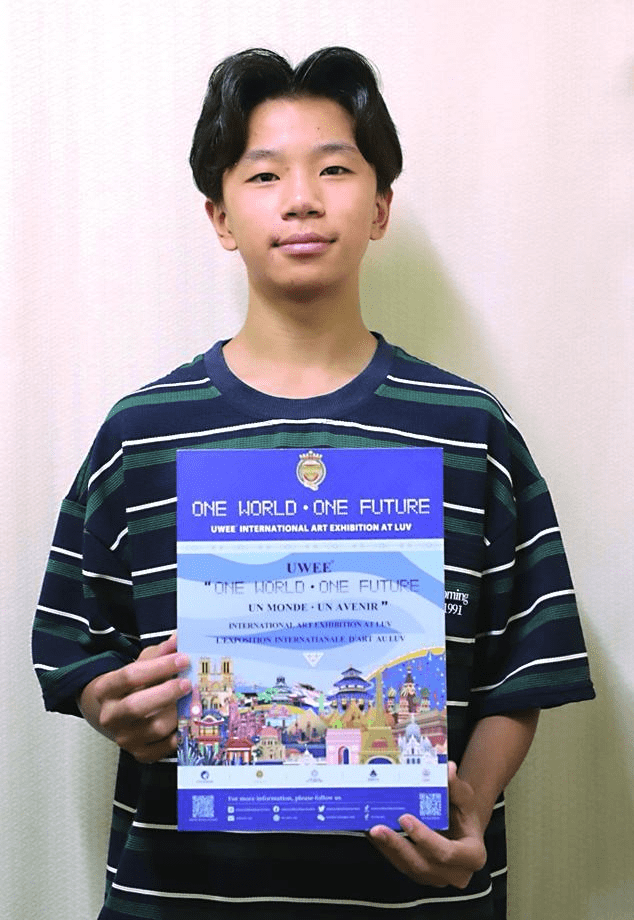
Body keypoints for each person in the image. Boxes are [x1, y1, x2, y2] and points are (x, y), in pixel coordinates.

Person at [32, 47, 595, 919]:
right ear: (220, 216)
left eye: (334, 168)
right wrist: (113, 704)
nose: (301, 198)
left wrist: (473, 805)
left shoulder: (469, 432)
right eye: (264, 175)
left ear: (380, 207)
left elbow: (526, 664)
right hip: (182, 896)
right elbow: (77, 654)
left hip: (415, 901)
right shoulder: (140, 436)